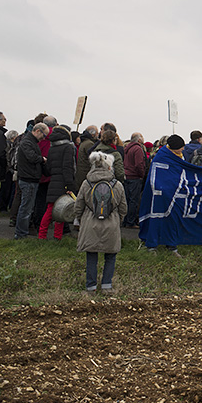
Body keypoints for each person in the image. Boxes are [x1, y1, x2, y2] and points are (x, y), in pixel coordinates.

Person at [74, 151, 127, 294]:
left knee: (91, 256)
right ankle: (106, 286)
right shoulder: (117, 185)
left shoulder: (86, 183)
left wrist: (80, 220)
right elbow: (123, 208)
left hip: (90, 222)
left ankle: (90, 287)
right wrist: (118, 220)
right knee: (110, 255)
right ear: (109, 167)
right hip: (111, 223)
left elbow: (78, 206)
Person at [38, 126, 77, 240]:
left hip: (53, 181)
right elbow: (67, 167)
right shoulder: (68, 147)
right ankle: (55, 236)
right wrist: (70, 184)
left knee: (52, 209)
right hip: (63, 181)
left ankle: (43, 234)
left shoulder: (52, 148)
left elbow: (49, 169)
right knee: (61, 209)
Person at [14, 123, 49, 239]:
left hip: (30, 178)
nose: (43, 138)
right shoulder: (27, 142)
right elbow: (31, 157)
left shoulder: (30, 141)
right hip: (28, 179)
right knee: (26, 208)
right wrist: (42, 159)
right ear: (38, 131)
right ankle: (20, 234)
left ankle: (22, 232)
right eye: (44, 135)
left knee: (28, 207)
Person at [122, 132, 147, 228]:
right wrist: (142, 174)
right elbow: (139, 164)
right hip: (135, 177)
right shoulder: (138, 149)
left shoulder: (127, 148)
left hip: (127, 175)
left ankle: (125, 220)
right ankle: (130, 222)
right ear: (139, 139)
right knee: (134, 201)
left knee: (127, 200)